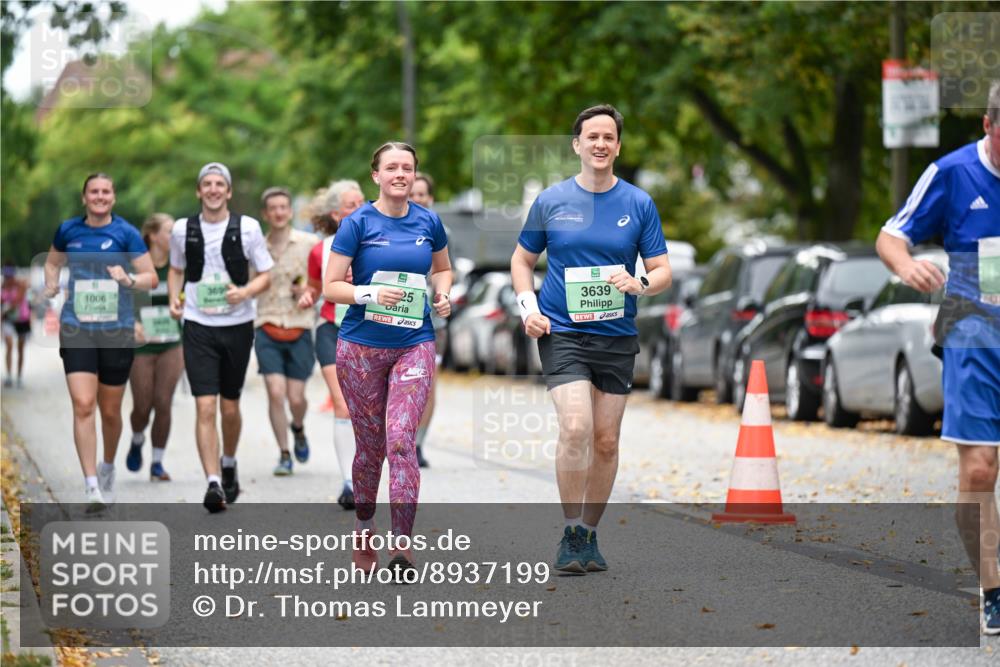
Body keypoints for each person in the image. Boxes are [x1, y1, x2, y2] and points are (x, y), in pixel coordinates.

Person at [510, 104, 671, 573]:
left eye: (608, 137)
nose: (600, 144)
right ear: (577, 145)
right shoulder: (552, 200)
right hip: (563, 331)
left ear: (618, 147)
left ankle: (588, 534)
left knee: (605, 441)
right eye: (592, 136)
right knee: (577, 426)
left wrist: (639, 283)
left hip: (616, 335)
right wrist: (529, 309)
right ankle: (569, 531)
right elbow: (522, 261)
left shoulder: (638, 203)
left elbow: (662, 270)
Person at [876, 80, 1000, 635]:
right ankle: (994, 587)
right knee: (979, 468)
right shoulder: (952, 173)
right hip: (974, 334)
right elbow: (891, 236)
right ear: (988, 126)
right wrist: (906, 266)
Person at [324, 142, 452, 574]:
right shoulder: (357, 223)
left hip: (414, 342)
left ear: (415, 175)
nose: (400, 174)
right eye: (392, 167)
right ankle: (364, 526)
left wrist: (442, 293)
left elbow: (443, 268)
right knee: (370, 449)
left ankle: (401, 545)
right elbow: (331, 286)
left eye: (408, 168)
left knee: (400, 440)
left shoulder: (428, 221)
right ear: (375, 175)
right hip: (360, 347)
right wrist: (370, 293)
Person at [43, 173, 158, 510]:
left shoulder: (126, 233)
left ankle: (107, 465)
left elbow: (151, 277)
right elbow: (52, 263)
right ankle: (91, 484)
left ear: (113, 197)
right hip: (76, 326)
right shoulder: (68, 231)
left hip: (116, 330)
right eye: (94, 191)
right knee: (83, 404)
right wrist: (51, 283)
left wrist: (128, 278)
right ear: (84, 198)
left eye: (106, 191)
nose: (100, 196)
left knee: (110, 411)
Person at [168, 163, 273, 513]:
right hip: (198, 325)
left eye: (219, 184)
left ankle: (228, 461)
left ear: (228, 191)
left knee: (229, 406)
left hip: (237, 325)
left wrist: (245, 292)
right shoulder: (182, 230)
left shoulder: (248, 228)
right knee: (205, 405)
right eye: (207, 184)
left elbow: (266, 275)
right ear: (199, 191)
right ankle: (213, 482)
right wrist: (174, 298)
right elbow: (176, 269)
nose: (213, 189)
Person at [298, 180, 364, 507]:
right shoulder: (320, 251)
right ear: (337, 214)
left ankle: (366, 472)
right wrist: (308, 295)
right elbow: (313, 287)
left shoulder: (377, 242)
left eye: (363, 203)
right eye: (352, 205)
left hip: (367, 330)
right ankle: (349, 483)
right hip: (330, 328)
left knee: (366, 408)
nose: (360, 210)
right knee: (342, 404)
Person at [255, 187, 317, 476]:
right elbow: (248, 283)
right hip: (266, 325)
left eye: (283, 207)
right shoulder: (256, 247)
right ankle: (283, 454)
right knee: (275, 392)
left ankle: (299, 427)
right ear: (265, 214)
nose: (279, 212)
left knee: (296, 398)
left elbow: (322, 282)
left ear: (290, 211)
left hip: (300, 326)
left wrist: (308, 291)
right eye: (273, 208)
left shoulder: (309, 244)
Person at [124, 214, 185, 481]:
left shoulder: (179, 266)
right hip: (141, 345)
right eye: (170, 231)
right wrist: (130, 322)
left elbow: (190, 297)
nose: (175, 236)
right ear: (152, 235)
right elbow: (120, 299)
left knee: (163, 402)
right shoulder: (135, 266)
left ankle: (157, 462)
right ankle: (137, 438)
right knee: (142, 405)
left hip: (171, 342)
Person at [411, 172, 436, 468]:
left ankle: (417, 443)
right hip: (398, 316)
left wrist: (441, 292)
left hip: (432, 319)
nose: (417, 199)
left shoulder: (439, 229)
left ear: (430, 198)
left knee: (428, 385)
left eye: (422, 195)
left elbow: (447, 271)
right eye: (412, 194)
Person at [2, 264, 31, 388]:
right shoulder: (3, 287)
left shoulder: (20, 285)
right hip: (8, 320)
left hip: (22, 320)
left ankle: (19, 376)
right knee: (9, 345)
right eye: (6, 276)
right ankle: (9, 376)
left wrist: (5, 308)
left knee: (20, 349)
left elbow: (17, 300)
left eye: (10, 276)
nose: (8, 279)